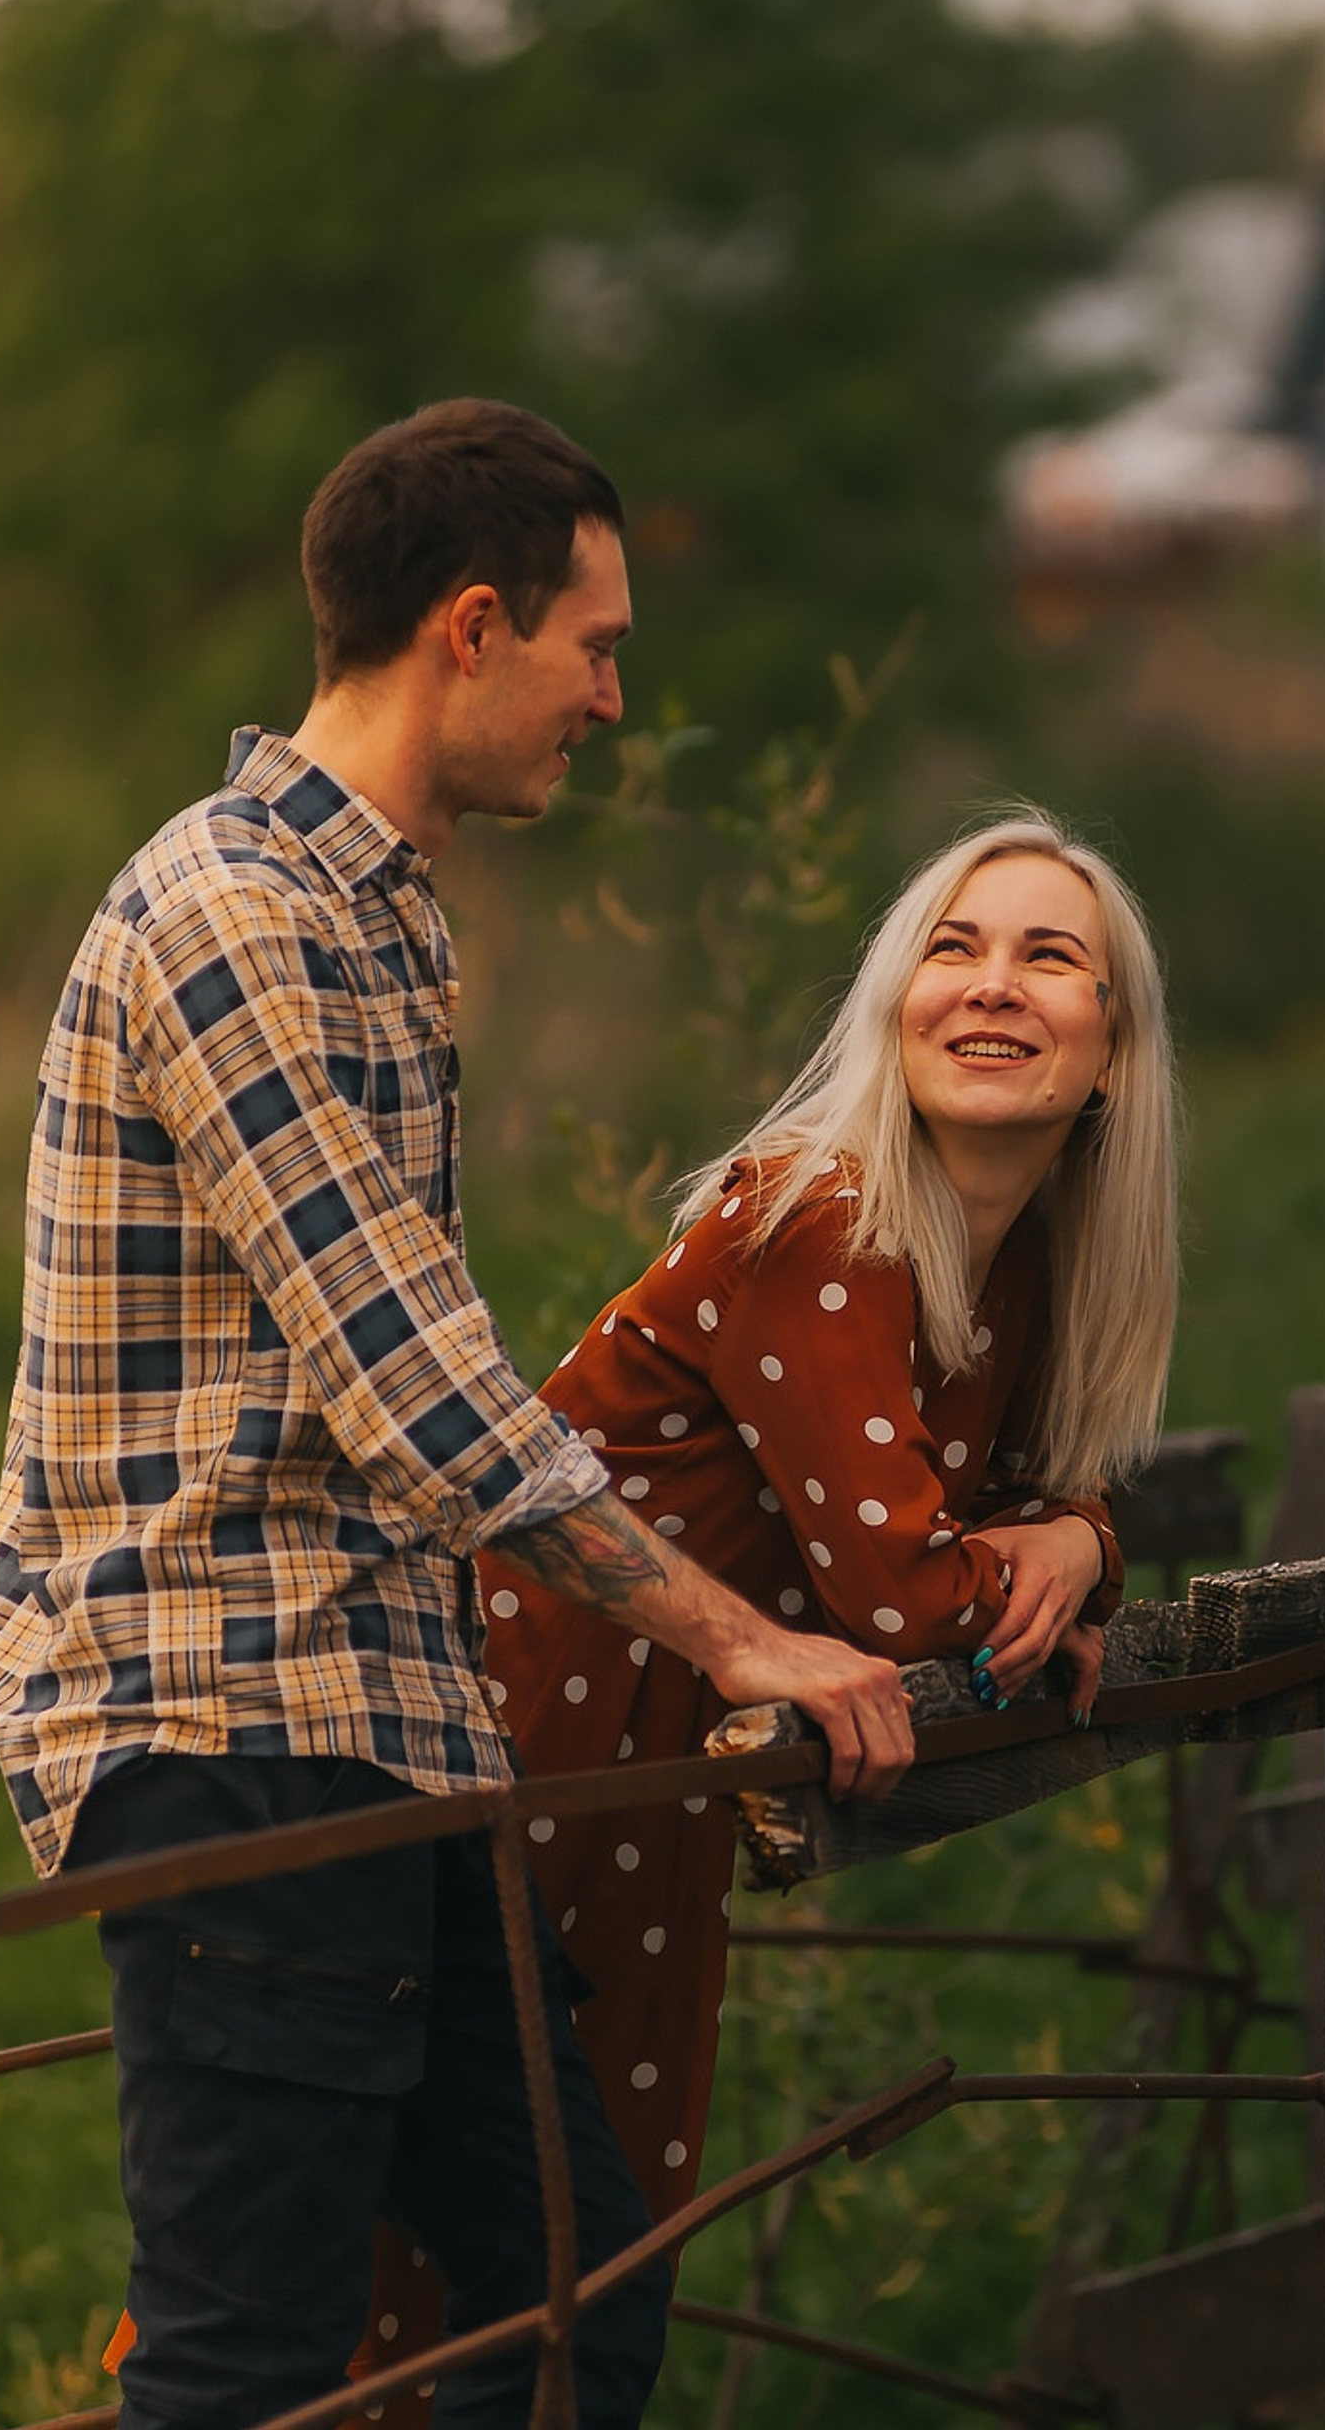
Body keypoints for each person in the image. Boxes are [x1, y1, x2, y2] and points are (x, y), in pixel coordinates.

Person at [0, 398, 915, 2430]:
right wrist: (744, 1639)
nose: (609, 695)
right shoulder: (232, 913)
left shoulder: (381, 911)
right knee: (241, 2364)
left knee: (576, 2287)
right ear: (469, 627)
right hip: (233, 1726)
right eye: (594, 645)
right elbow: (411, 1388)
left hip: (386, 1728)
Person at [363, 813, 1176, 2387]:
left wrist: (1075, 1530)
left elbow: (981, 1531)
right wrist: (1074, 1551)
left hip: (649, 1800)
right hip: (517, 1761)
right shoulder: (820, 1216)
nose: (992, 986)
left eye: (1048, 957)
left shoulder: (1012, 1268)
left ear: (1115, 1057)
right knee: (423, 2295)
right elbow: (908, 1595)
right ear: (893, 1005)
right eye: (953, 948)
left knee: (552, 2290)